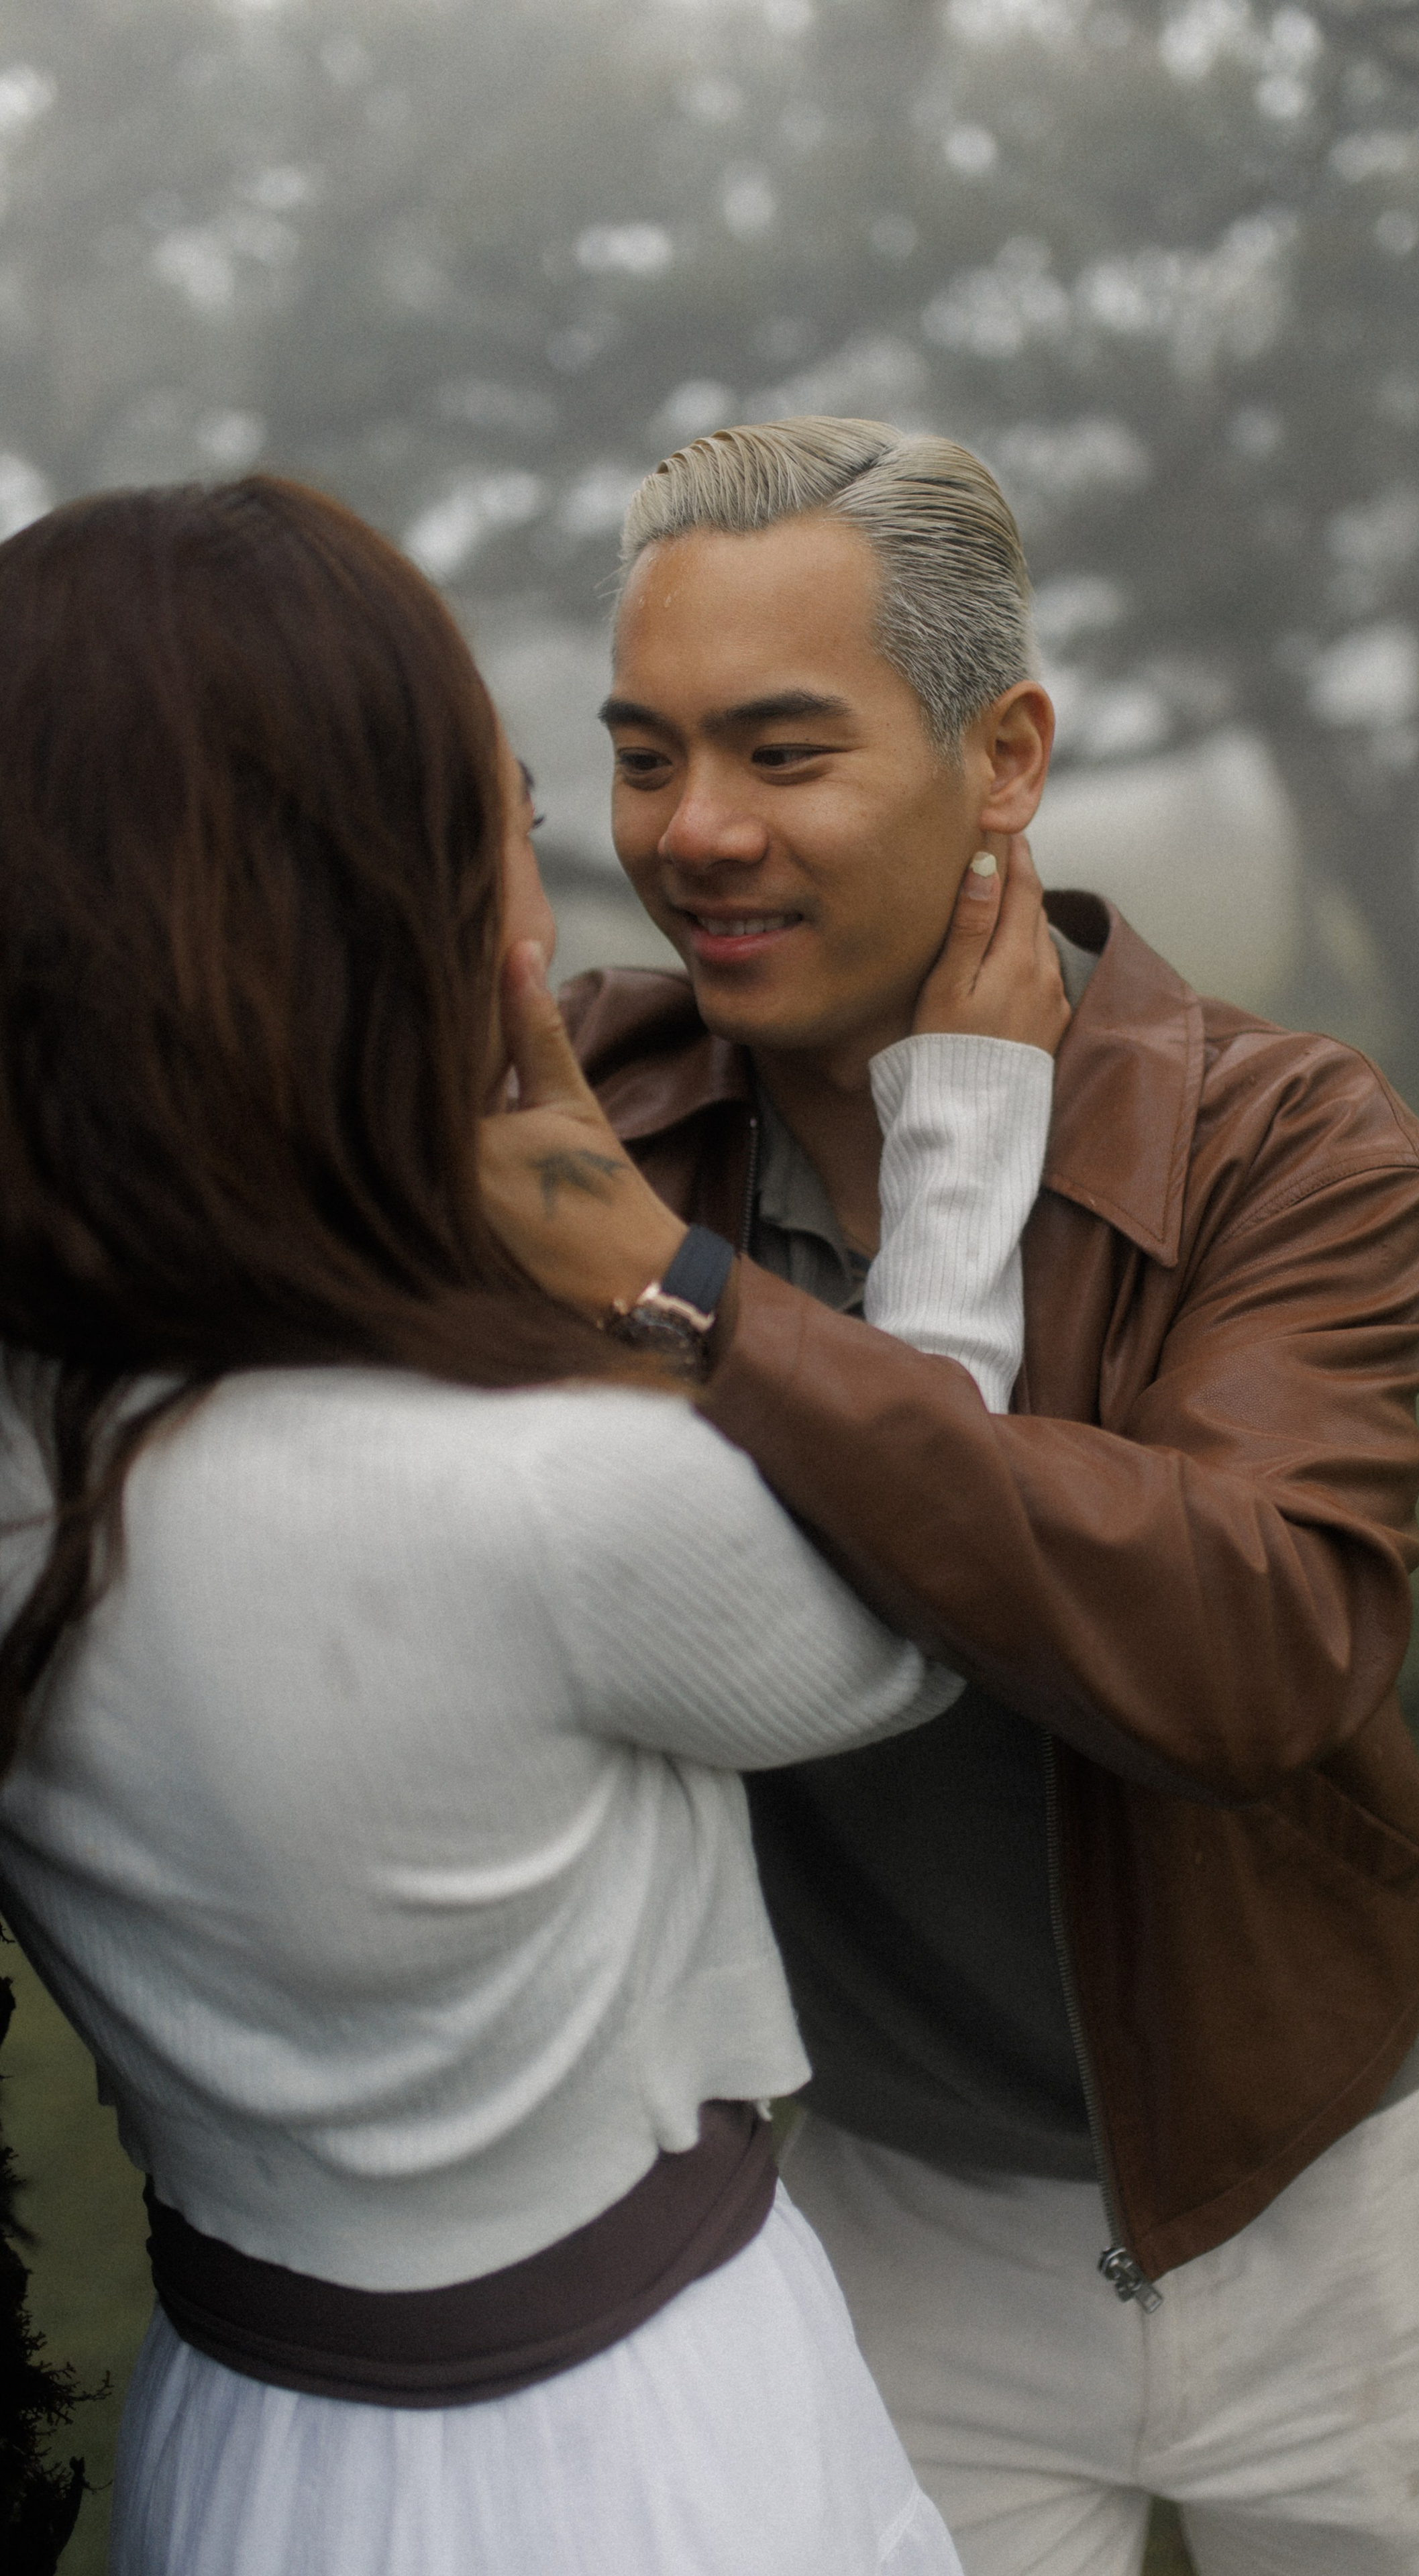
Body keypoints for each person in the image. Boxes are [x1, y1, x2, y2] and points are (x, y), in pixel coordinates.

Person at [481, 416, 1419, 2576]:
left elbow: (1254, 1647)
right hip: (884, 2222)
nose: (693, 835)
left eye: (784, 753)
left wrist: (699, 1309)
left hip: (1332, 2211)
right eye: (644, 756)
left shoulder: (1284, 1143)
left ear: (1008, 754)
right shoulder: (582, 1124)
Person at [0, 475, 1064, 2576]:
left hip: (243, 2432)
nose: (571, 868)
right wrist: (963, 1139)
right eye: (500, 803)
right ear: (369, 917)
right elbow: (917, 1594)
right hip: (631, 2456)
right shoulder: (540, 1489)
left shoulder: (43, 1434)